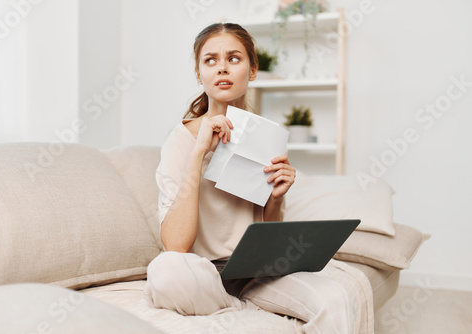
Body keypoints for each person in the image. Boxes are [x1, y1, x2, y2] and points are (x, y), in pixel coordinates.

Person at [144, 23, 354, 334]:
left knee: (335, 297)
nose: (222, 69)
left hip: (255, 272)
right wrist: (198, 154)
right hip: (204, 272)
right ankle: (233, 306)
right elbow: (175, 244)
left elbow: (267, 237)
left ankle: (240, 301)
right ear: (199, 74)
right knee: (165, 270)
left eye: (234, 58)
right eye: (211, 60)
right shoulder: (181, 139)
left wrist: (276, 198)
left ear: (252, 70)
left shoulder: (266, 135)